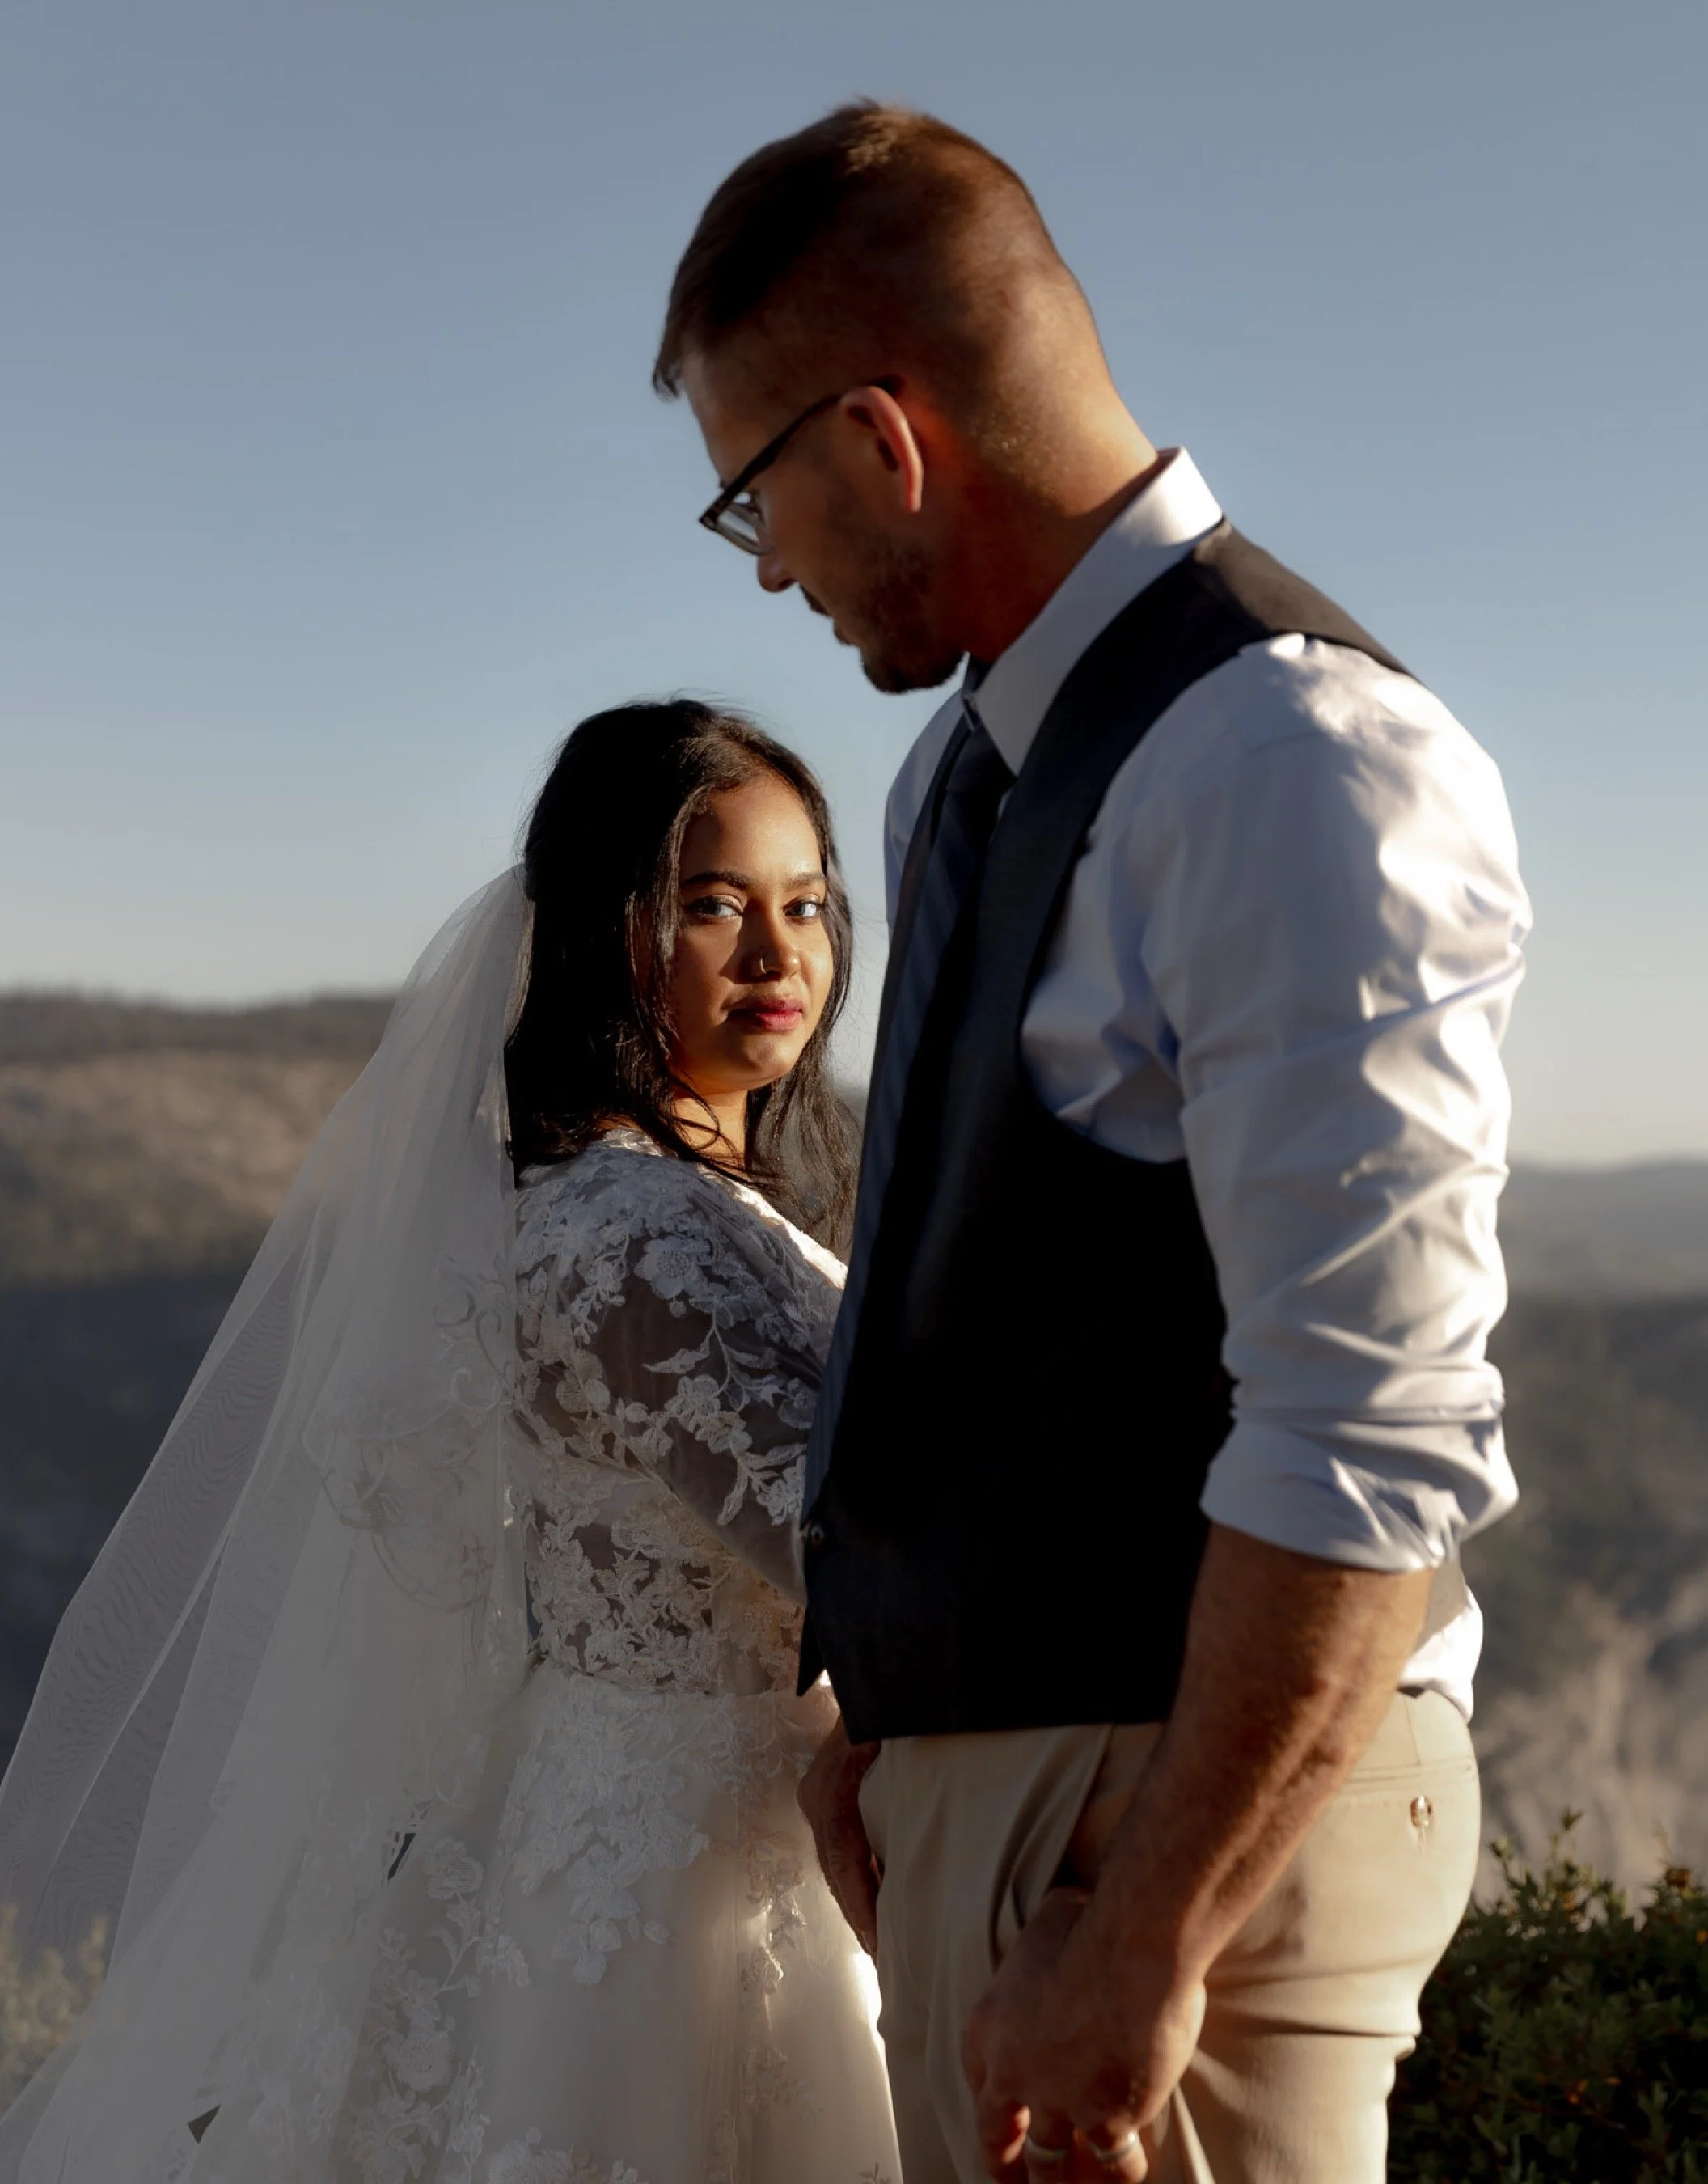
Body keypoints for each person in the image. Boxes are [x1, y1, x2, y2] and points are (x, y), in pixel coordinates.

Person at [657, 104, 1531, 2183]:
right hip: (1008, 1828)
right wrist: (896, 1737)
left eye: (752, 498)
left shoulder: (1291, 760)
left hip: (1174, 1854)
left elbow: (1367, 1435)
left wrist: (1150, 1923)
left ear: (887, 438)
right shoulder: (959, 775)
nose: (766, 565)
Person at [0, 700, 901, 2184]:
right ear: (609, 927)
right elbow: (863, 1547)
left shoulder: (677, 1200)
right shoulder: (631, 1237)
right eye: (712, 906)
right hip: (687, 1882)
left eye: (805, 905)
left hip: (674, 1829)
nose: (780, 957)